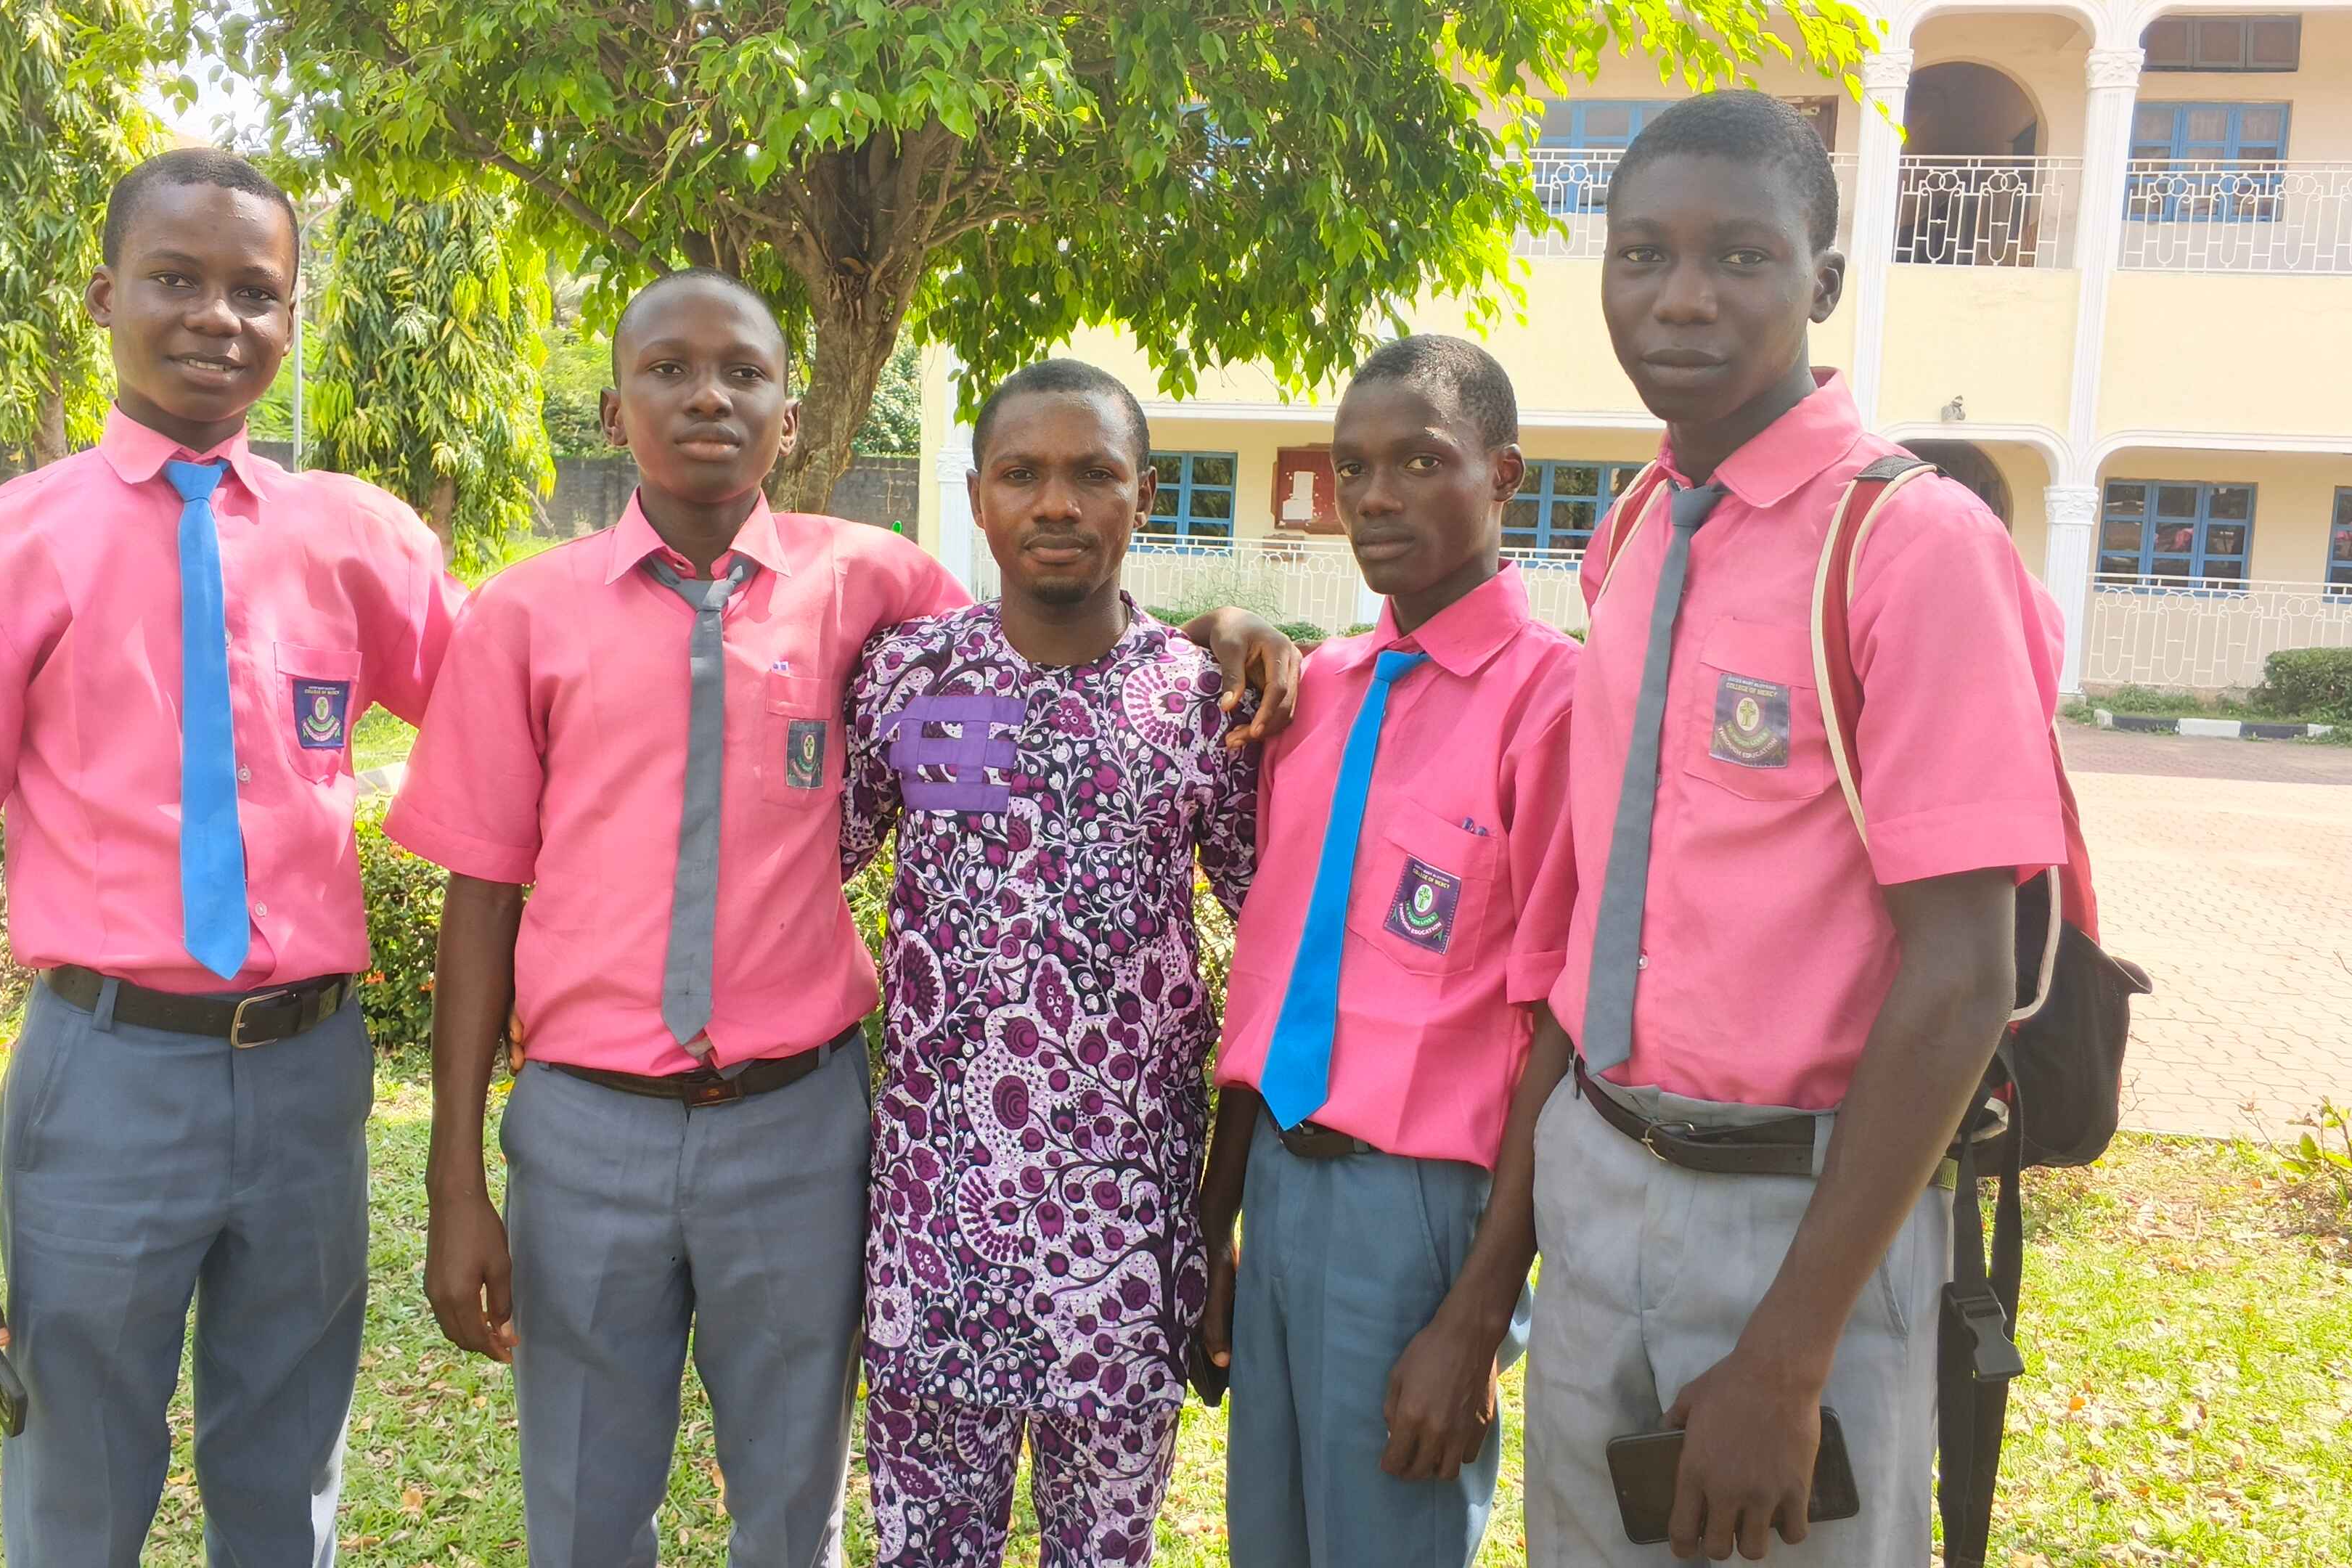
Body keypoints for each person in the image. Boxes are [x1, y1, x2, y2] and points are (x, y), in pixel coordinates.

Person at [385, 269, 1304, 1568]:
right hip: (628, 1134)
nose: (708, 397)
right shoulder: (544, 615)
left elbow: (1073, 647)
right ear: (611, 407)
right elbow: (483, 890)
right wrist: (454, 1178)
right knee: (585, 1506)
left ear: (792, 412)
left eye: (743, 373)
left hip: (842, 1143)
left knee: (799, 1507)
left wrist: (1219, 629)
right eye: (667, 370)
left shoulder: (880, 592)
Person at [0, 148, 464, 1566]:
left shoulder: (357, 540)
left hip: (311, 1073)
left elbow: (523, 723)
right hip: (106, 1079)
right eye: (175, 279)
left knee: (288, 1484)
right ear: (102, 295)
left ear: (293, 316)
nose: (216, 317)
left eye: (256, 291)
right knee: (79, 1489)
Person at [1525, 89, 2069, 1565]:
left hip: (1803, 1214)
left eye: (1741, 257)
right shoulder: (1638, 525)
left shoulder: (1910, 542)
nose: (1683, 296)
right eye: (1644, 254)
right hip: (1603, 1175)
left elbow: (1961, 974)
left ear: (1822, 283)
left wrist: (1787, 1350)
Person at [838, 359, 1261, 1568]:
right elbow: (802, 861)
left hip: (1123, 1246)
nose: (1058, 503)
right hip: (933, 1231)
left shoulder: (1202, 702)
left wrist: (1219, 1214)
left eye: (1094, 474)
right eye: (1022, 474)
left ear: (1145, 495)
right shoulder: (908, 678)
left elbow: (1278, 943)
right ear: (978, 497)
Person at [1198, 333, 1582, 1567]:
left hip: (1421, 1211)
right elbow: (1277, 978)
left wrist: (1477, 1317)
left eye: (1420, 461)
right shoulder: (1315, 691)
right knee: (1270, 1541)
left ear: (1503, 475)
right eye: (1352, 467)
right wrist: (1215, 1228)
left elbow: (1561, 1026)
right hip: (1279, 1182)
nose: (1374, 496)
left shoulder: (1555, 702)